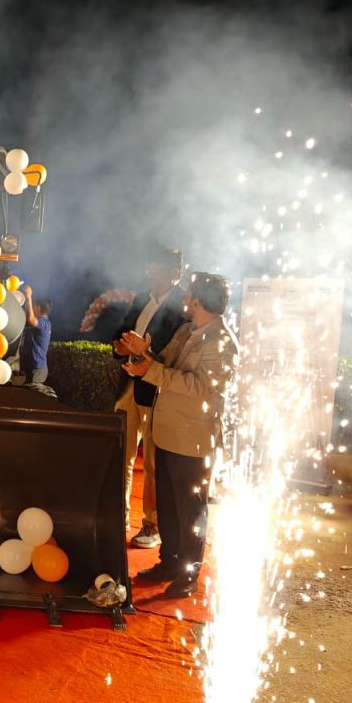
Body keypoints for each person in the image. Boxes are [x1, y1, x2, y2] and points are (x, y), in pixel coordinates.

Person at [120, 272, 239, 598]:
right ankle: (169, 562)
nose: (184, 299)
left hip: (194, 439)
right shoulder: (187, 330)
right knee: (169, 505)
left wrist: (151, 370)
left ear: (197, 301)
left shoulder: (223, 343)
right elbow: (166, 364)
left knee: (190, 511)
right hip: (168, 433)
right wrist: (143, 354)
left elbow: (201, 388)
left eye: (188, 295)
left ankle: (188, 574)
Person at [112, 247, 187, 544]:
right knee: (121, 453)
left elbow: (175, 356)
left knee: (154, 462)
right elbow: (122, 330)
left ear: (175, 273)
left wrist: (145, 352)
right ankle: (117, 516)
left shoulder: (183, 307)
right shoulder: (143, 298)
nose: (151, 277)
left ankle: (152, 525)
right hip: (129, 384)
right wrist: (120, 346)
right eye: (149, 271)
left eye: (156, 272)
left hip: (158, 390)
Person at [19, 284, 52, 385]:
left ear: (38, 308)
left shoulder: (43, 322)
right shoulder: (43, 323)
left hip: (37, 369)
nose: (31, 309)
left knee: (31, 393)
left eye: (33, 307)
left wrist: (29, 297)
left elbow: (30, 319)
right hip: (33, 367)